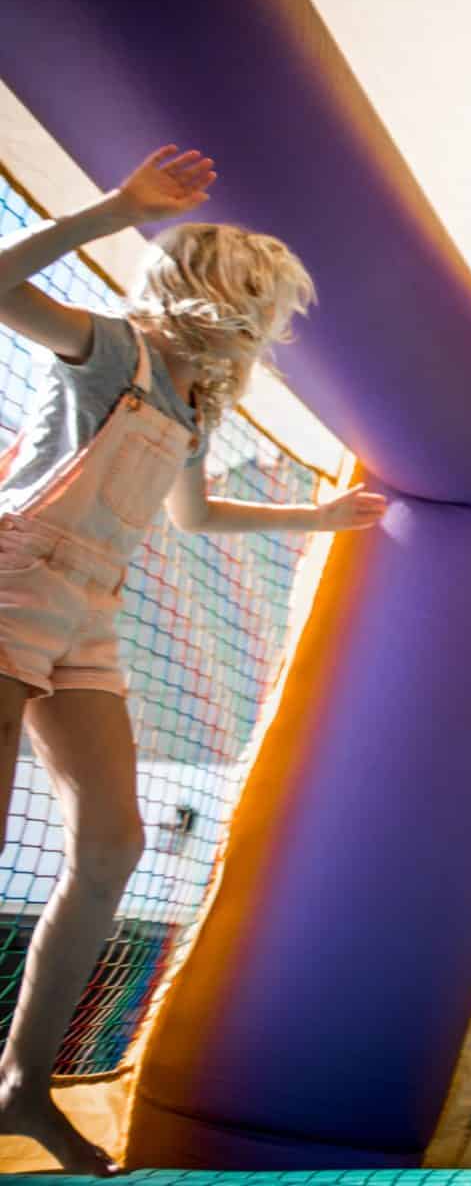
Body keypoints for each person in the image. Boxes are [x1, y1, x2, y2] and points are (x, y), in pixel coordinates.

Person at [0, 146, 386, 1173]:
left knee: (115, 846)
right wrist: (117, 209)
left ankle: (21, 1087)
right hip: (11, 583)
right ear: (200, 293)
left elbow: (198, 513)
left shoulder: (188, 404)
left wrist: (318, 513)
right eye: (250, 296)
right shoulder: (105, 347)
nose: (261, 320)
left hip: (86, 615)